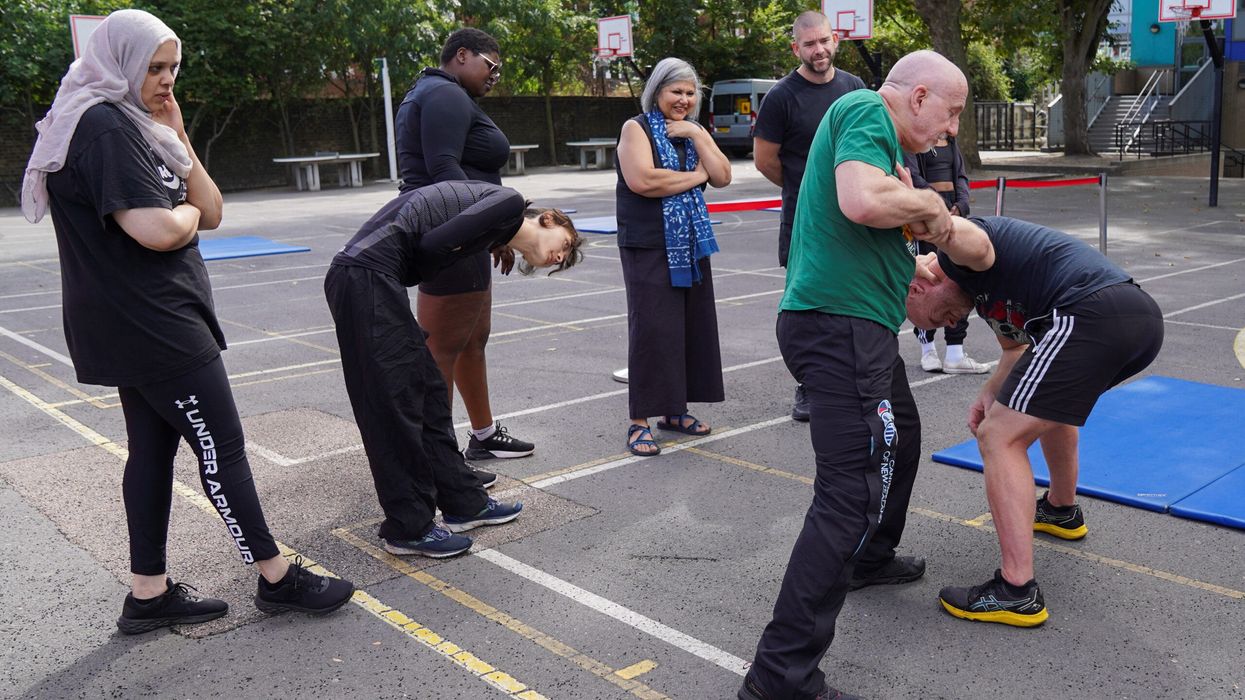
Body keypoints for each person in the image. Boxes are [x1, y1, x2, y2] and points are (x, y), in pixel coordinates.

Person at [20, 9, 354, 634]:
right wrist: (184, 215)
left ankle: (147, 594)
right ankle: (277, 578)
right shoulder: (103, 128)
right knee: (221, 448)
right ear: (119, 63)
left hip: (132, 321)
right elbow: (156, 229)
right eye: (154, 67)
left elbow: (214, 208)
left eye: (173, 66)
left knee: (151, 450)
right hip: (154, 325)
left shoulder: (120, 123)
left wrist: (181, 143)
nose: (167, 78)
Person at [739, 50, 966, 700]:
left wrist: (913, 265)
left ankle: (871, 556)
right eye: (948, 113)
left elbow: (866, 226)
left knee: (905, 433)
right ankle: (779, 677)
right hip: (837, 329)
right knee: (846, 498)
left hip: (850, 325)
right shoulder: (867, 108)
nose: (948, 131)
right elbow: (862, 201)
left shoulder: (883, 152)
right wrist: (929, 207)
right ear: (916, 95)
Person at [905, 215, 1163, 627]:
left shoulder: (958, 259)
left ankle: (1016, 591)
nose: (952, 324)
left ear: (920, 286)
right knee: (1048, 410)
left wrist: (921, 218)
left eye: (938, 320)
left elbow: (969, 238)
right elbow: (1014, 351)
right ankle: (1061, 511)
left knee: (998, 437)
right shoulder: (982, 294)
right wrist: (990, 390)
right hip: (1136, 320)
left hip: (1089, 312)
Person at [325, 181, 583, 557]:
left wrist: (484, 242)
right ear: (549, 218)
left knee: (428, 391)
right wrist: (480, 242)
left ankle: (464, 501)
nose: (561, 257)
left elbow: (430, 249)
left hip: (376, 280)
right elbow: (430, 249)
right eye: (567, 243)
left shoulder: (493, 226)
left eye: (565, 259)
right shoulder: (508, 203)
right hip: (363, 278)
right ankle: (408, 528)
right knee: (395, 409)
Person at [394, 28, 535, 462]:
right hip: (451, 234)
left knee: (474, 338)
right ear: (461, 55)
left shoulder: (441, 93)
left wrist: (489, 229)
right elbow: (443, 170)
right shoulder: (444, 94)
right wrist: (493, 227)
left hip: (462, 233)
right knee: (442, 349)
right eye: (491, 66)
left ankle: (484, 433)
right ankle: (439, 459)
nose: (496, 75)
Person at [615, 57, 732, 457]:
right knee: (652, 329)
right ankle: (639, 421)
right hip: (648, 242)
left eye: (689, 92)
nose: (683, 99)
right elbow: (644, 181)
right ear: (657, 92)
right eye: (675, 92)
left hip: (690, 244)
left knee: (688, 327)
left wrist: (697, 137)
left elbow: (723, 175)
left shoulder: (693, 130)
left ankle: (675, 411)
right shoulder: (636, 128)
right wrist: (697, 176)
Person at [752, 11, 866, 422]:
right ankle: (807, 385)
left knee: (852, 301)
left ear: (835, 39)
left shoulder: (853, 87)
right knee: (807, 309)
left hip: (854, 218)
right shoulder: (782, 96)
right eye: (809, 44)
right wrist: (811, 189)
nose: (818, 50)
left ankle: (851, 380)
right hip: (805, 221)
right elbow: (765, 161)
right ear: (795, 48)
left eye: (824, 41)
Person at [903, 135, 989, 374]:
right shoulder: (916, 139)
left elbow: (960, 175)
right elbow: (913, 176)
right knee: (926, 281)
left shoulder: (951, 142)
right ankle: (927, 348)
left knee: (959, 280)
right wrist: (936, 204)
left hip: (955, 216)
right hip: (927, 217)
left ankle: (955, 350)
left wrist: (961, 203)